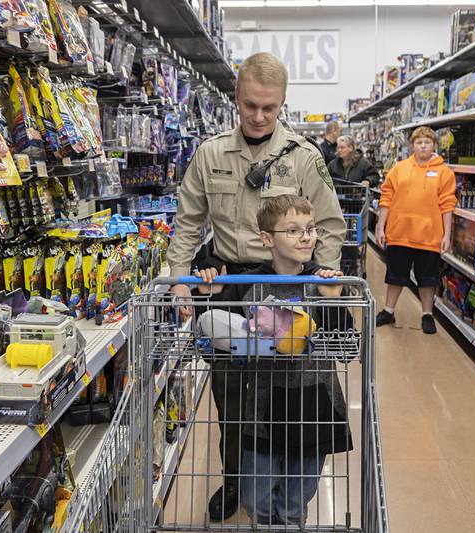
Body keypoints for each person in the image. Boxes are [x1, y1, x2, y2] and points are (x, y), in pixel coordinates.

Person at [167, 52, 346, 521]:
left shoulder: (304, 158)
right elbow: (187, 223)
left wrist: (323, 287)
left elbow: (329, 224)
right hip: (229, 283)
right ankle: (237, 482)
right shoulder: (210, 155)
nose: (260, 116)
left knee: (289, 390)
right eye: (250, 106)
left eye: (269, 107)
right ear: (236, 98)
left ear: (283, 102)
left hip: (289, 287)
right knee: (233, 396)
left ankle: (287, 492)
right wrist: (179, 282)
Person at [197, 195, 353, 526]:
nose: (307, 237)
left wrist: (333, 302)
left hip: (313, 405)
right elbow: (212, 342)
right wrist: (206, 297)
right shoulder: (246, 285)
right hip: (262, 407)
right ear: (267, 239)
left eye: (310, 229)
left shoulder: (323, 282)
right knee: (255, 497)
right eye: (293, 230)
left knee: (297, 500)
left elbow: (347, 348)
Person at [375, 126, 457, 334]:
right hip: (399, 233)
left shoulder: (444, 173)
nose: (423, 145)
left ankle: (427, 314)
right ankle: (388, 310)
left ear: (434, 145)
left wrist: (447, 235)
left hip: (429, 236)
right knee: (394, 276)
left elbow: (447, 205)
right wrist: (380, 226)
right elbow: (386, 198)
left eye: (427, 142)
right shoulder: (399, 169)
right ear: (412, 146)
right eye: (419, 142)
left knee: (428, 279)